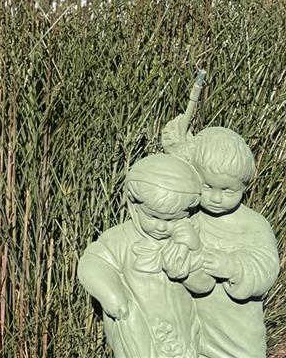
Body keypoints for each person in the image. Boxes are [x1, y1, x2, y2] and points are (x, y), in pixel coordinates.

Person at [163, 124, 280, 358]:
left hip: (237, 334)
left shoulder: (253, 224)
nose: (216, 198)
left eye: (228, 191)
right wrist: (177, 147)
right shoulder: (189, 216)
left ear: (244, 186)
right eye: (207, 186)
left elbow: (267, 267)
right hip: (195, 331)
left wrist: (233, 266)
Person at [78, 153, 203, 358]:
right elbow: (92, 263)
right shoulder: (120, 238)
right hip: (137, 332)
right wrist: (112, 294)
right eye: (153, 216)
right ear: (134, 205)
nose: (161, 227)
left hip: (181, 334)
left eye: (172, 220)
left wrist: (193, 249)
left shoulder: (186, 241)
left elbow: (203, 285)